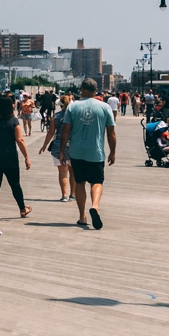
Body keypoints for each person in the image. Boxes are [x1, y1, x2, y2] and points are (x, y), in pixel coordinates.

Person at [61, 78, 117, 230]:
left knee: (80, 183)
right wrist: (112, 152)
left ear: (82, 90)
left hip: (76, 151)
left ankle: (82, 217)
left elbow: (65, 131)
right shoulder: (105, 107)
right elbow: (111, 133)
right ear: (95, 90)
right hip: (96, 152)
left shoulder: (73, 107)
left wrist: (61, 151)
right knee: (97, 182)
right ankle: (95, 207)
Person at [0, 93, 32, 220]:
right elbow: (20, 140)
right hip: (9, 158)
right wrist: (26, 157)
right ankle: (22, 209)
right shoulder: (13, 121)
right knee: (15, 184)